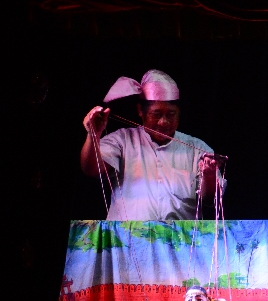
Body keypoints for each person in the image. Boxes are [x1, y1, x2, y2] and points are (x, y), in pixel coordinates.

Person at [81, 70, 224, 221]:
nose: (164, 122)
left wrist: (209, 176)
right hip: (126, 235)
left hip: (180, 236)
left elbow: (211, 200)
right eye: (156, 114)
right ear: (140, 111)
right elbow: (91, 169)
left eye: (171, 114)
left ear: (179, 112)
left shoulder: (197, 148)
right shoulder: (122, 140)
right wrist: (93, 135)